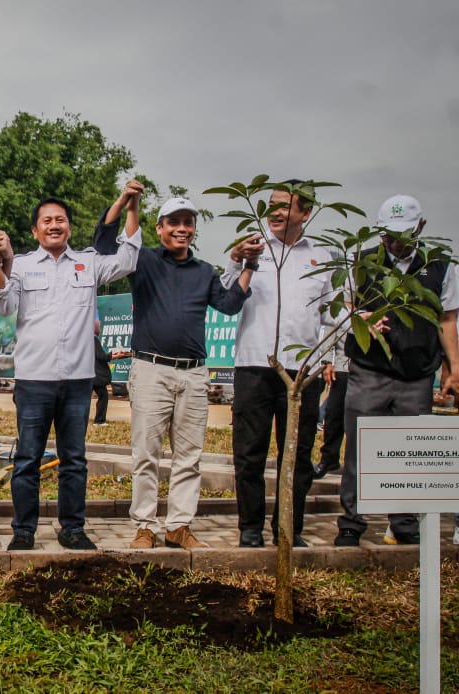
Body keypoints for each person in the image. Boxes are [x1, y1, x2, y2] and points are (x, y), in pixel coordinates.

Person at [93, 190, 258, 550]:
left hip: (195, 373)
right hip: (151, 369)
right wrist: (124, 203)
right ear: (160, 227)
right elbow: (105, 245)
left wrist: (249, 265)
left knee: (189, 456)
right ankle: (146, 526)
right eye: (174, 222)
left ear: (194, 229)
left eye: (188, 223)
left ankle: (179, 525)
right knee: (146, 454)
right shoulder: (143, 261)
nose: (182, 229)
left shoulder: (204, 271)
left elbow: (229, 305)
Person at [0, 196, 140, 551]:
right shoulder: (22, 265)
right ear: (35, 230)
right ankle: (23, 531)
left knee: (74, 460)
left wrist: (131, 208)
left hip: (76, 380)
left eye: (60, 219)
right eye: (46, 221)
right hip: (33, 380)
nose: (54, 225)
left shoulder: (88, 262)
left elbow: (129, 258)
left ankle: (72, 528)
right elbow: (5, 304)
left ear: (69, 226)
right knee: (27, 459)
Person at [335, 194, 459, 546]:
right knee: (359, 448)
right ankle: (351, 523)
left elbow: (446, 319)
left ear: (420, 228)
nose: (394, 243)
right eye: (388, 235)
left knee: (410, 451)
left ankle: (404, 524)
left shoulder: (440, 267)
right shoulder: (361, 262)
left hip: (416, 372)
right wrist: (359, 319)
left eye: (403, 236)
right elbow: (343, 305)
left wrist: (454, 367)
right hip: (369, 368)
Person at [222, 182, 335, 548]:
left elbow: (337, 315)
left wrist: (328, 358)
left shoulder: (323, 257)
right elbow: (225, 296)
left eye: (285, 206)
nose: (275, 211)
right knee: (249, 453)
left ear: (305, 213)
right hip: (254, 366)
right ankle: (250, 529)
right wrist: (237, 260)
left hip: (301, 374)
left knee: (298, 456)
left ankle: (289, 528)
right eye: (270, 204)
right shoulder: (253, 249)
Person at [313, 343, 348, 479]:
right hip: (341, 369)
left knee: (358, 421)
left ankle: (355, 463)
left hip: (368, 371)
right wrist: (326, 363)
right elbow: (330, 332)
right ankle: (329, 459)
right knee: (333, 415)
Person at [92, 320, 112, 426]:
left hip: (91, 375)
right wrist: (112, 356)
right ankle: (99, 421)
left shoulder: (88, 340)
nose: (100, 328)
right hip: (96, 376)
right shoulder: (94, 340)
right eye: (99, 326)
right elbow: (101, 356)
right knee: (103, 396)